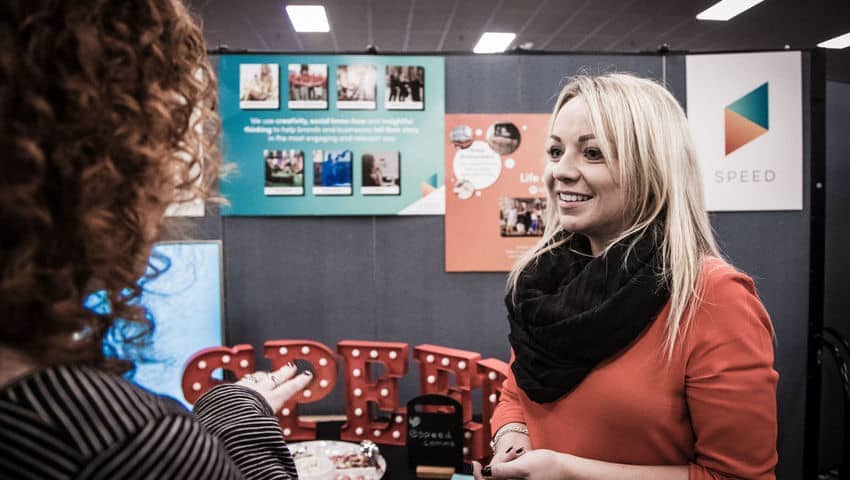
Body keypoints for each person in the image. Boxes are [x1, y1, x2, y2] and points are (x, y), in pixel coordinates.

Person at [0, 1, 311, 478]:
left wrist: (228, 415)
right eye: (165, 136)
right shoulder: (112, 441)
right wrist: (241, 421)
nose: (171, 178)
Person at [474, 73, 778, 480]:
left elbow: (738, 477)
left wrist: (569, 472)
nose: (560, 172)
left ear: (651, 167)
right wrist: (511, 440)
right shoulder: (545, 285)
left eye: (593, 153)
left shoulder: (713, 297)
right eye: (555, 151)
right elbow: (517, 391)